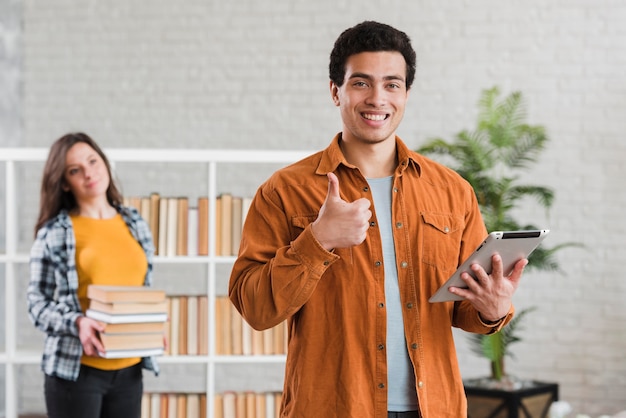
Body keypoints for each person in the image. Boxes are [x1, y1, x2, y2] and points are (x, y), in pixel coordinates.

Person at [229, 21, 527, 418]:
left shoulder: (452, 191)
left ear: (406, 94)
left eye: (391, 84)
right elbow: (255, 309)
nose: (377, 98)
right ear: (335, 91)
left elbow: (464, 311)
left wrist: (493, 307)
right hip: (333, 408)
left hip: (433, 407)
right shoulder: (285, 190)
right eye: (361, 83)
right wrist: (317, 241)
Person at [27, 132, 159, 418]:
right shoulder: (55, 232)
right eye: (76, 170)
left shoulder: (135, 223)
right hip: (75, 373)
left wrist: (152, 320)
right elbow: (36, 303)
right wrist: (78, 322)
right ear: (64, 182)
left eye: (93, 161)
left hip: (130, 371)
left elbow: (139, 289)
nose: (89, 173)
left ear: (105, 163)